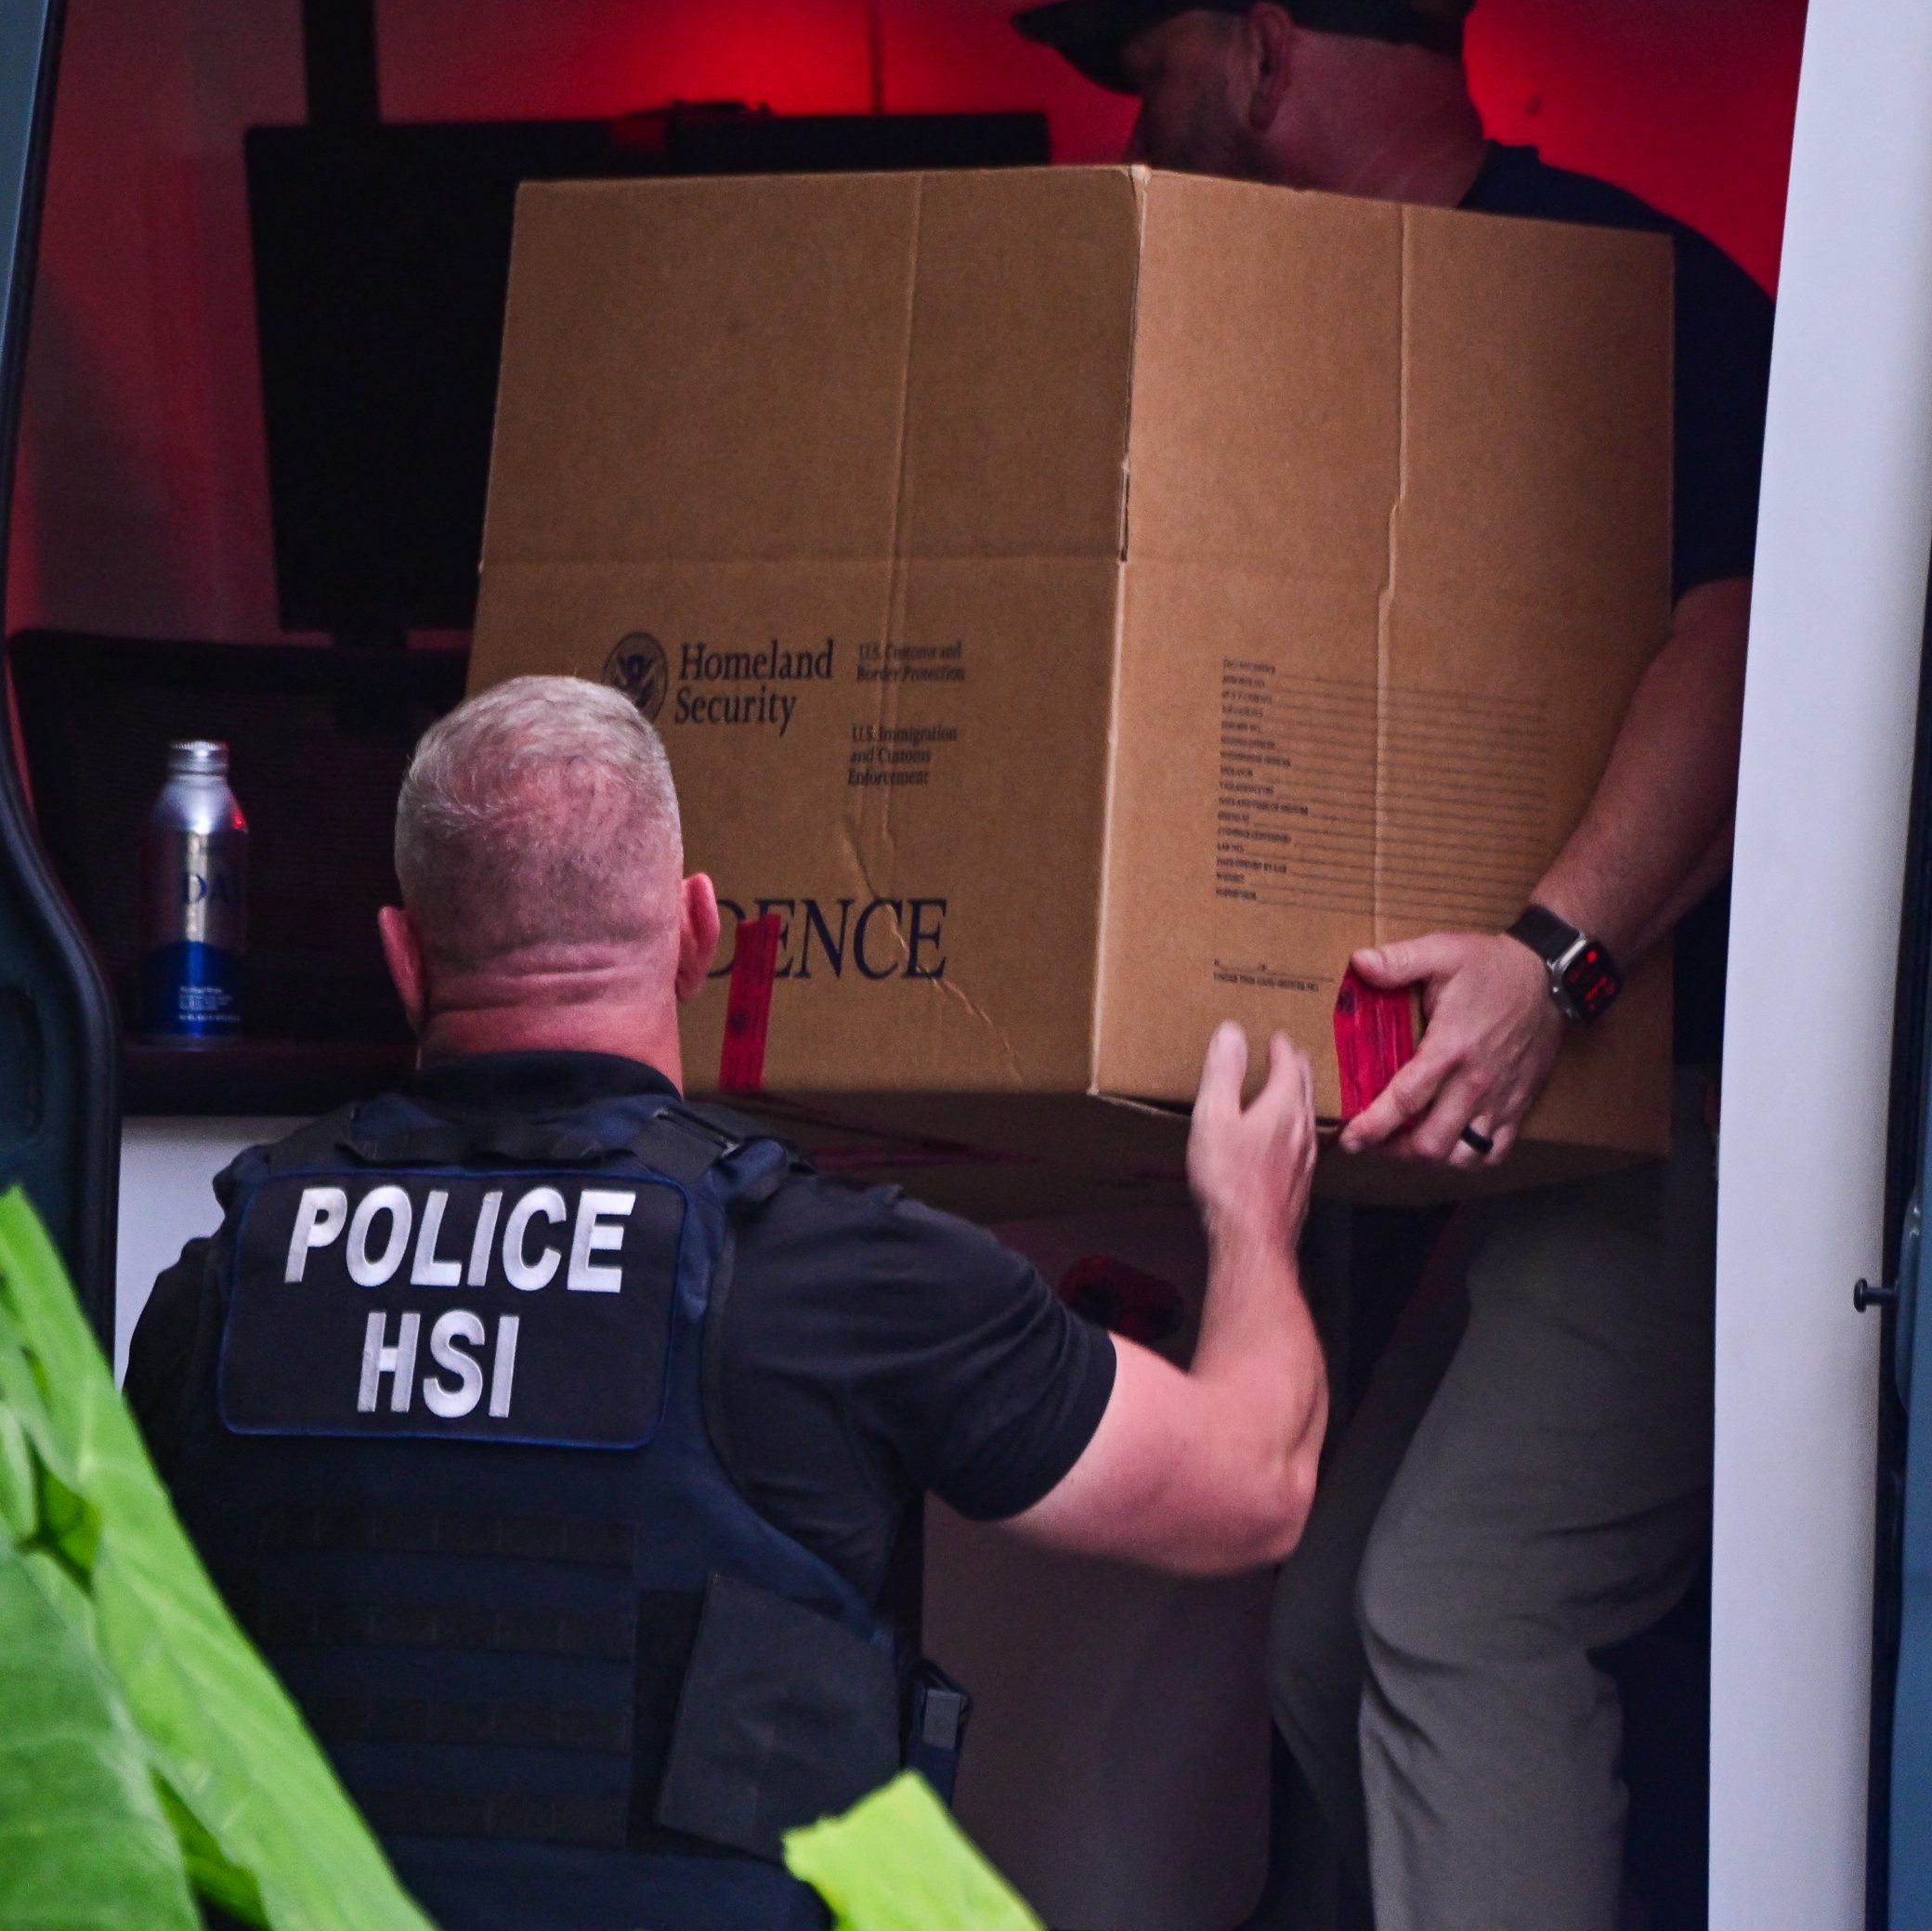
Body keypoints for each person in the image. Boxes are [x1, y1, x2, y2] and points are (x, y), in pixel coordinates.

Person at [1013, 0, 1772, 1931]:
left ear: (1265, 58)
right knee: (1335, 1620)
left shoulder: (1614, 292)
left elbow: (1749, 639)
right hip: (1524, 1151)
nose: (1134, 133)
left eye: (1154, 78)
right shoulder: (1319, 354)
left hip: (1702, 1118)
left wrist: (1555, 960)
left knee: (1452, 1607)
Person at [124, 673, 1325, 1931]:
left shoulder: (228, 1280)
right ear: (703, 934)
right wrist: (1255, 1224)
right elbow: (1251, 1486)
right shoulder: (835, 1274)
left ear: (402, 955)